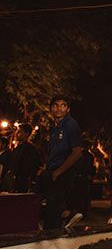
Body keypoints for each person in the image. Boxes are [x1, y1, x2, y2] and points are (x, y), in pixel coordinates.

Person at [39, 96, 83, 230]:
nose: (59, 108)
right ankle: (65, 215)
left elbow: (77, 151)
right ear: (51, 108)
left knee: (53, 207)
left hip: (63, 170)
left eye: (63, 105)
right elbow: (54, 151)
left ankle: (68, 215)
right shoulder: (55, 127)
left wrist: (59, 171)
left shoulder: (70, 125)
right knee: (45, 202)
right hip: (52, 170)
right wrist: (47, 166)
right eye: (55, 105)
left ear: (68, 109)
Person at [2, 124, 42, 192]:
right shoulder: (17, 148)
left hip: (23, 184)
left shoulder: (31, 149)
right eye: (17, 131)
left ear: (26, 134)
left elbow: (33, 167)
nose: (16, 133)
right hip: (13, 183)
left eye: (20, 131)